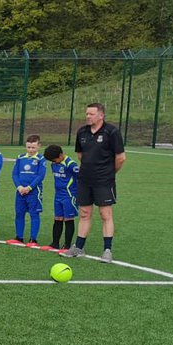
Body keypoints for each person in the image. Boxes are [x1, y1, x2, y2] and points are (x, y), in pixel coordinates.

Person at [63, 102, 125, 263]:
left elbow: (120, 158)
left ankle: (107, 250)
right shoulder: (82, 132)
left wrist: (110, 173)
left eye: (91, 114)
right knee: (84, 213)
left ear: (101, 115)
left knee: (105, 214)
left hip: (104, 181)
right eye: (86, 114)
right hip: (84, 180)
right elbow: (80, 155)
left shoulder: (111, 132)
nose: (87, 117)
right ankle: (79, 247)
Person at [10, 134, 46, 247]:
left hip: (34, 191)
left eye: (33, 147)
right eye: (28, 147)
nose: (31, 150)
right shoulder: (20, 158)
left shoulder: (41, 159)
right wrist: (19, 187)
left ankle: (33, 239)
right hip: (20, 191)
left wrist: (29, 187)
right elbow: (15, 174)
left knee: (34, 214)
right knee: (19, 214)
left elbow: (41, 176)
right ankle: (19, 237)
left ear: (39, 146)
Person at [43, 144, 79, 252]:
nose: (54, 162)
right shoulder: (54, 164)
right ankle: (55, 243)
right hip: (58, 195)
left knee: (68, 219)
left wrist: (78, 194)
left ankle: (67, 245)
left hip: (69, 195)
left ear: (60, 155)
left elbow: (80, 179)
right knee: (57, 218)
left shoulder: (71, 165)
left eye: (55, 159)